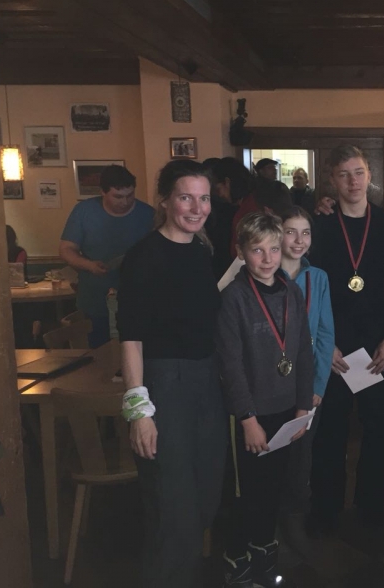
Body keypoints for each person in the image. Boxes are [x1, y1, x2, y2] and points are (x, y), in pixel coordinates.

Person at [117, 160, 227, 588]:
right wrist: (139, 411)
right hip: (163, 386)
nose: (197, 208)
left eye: (204, 198)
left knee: (205, 499)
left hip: (207, 383)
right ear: (165, 201)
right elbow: (131, 337)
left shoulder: (202, 251)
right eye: (186, 198)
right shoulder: (143, 257)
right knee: (172, 509)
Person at [307, 144, 384, 532]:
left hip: (376, 349)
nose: (353, 181)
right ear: (332, 182)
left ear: (370, 177)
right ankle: (326, 507)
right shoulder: (319, 227)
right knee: (329, 432)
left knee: (381, 430)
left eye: (359, 173)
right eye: (344, 174)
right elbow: (309, 290)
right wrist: (323, 344)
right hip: (332, 349)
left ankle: (374, 505)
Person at [216, 212, 313, 588]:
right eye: (257, 250)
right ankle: (236, 558)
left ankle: (263, 551)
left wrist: (303, 406)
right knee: (247, 491)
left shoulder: (292, 292)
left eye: (274, 249)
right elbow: (231, 365)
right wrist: (248, 417)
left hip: (286, 410)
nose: (268, 258)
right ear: (241, 252)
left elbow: (303, 352)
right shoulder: (234, 297)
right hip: (251, 415)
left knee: (274, 487)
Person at [276, 207, 335, 546]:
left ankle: (295, 516)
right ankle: (267, 519)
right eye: (290, 231)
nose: (299, 240)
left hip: (306, 385)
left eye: (306, 233)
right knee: (270, 453)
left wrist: (318, 386)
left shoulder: (319, 278)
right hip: (271, 384)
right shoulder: (263, 273)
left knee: (301, 455)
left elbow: (325, 335)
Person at [60, 165, 154, 347]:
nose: (125, 201)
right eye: (118, 197)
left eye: (130, 195)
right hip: (94, 301)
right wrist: (89, 265)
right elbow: (66, 249)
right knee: (98, 355)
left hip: (137, 301)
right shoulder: (84, 211)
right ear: (102, 192)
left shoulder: (148, 214)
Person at [205, 157, 254, 280]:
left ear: (227, 182)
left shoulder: (248, 209)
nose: (219, 195)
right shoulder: (246, 203)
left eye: (218, 189)